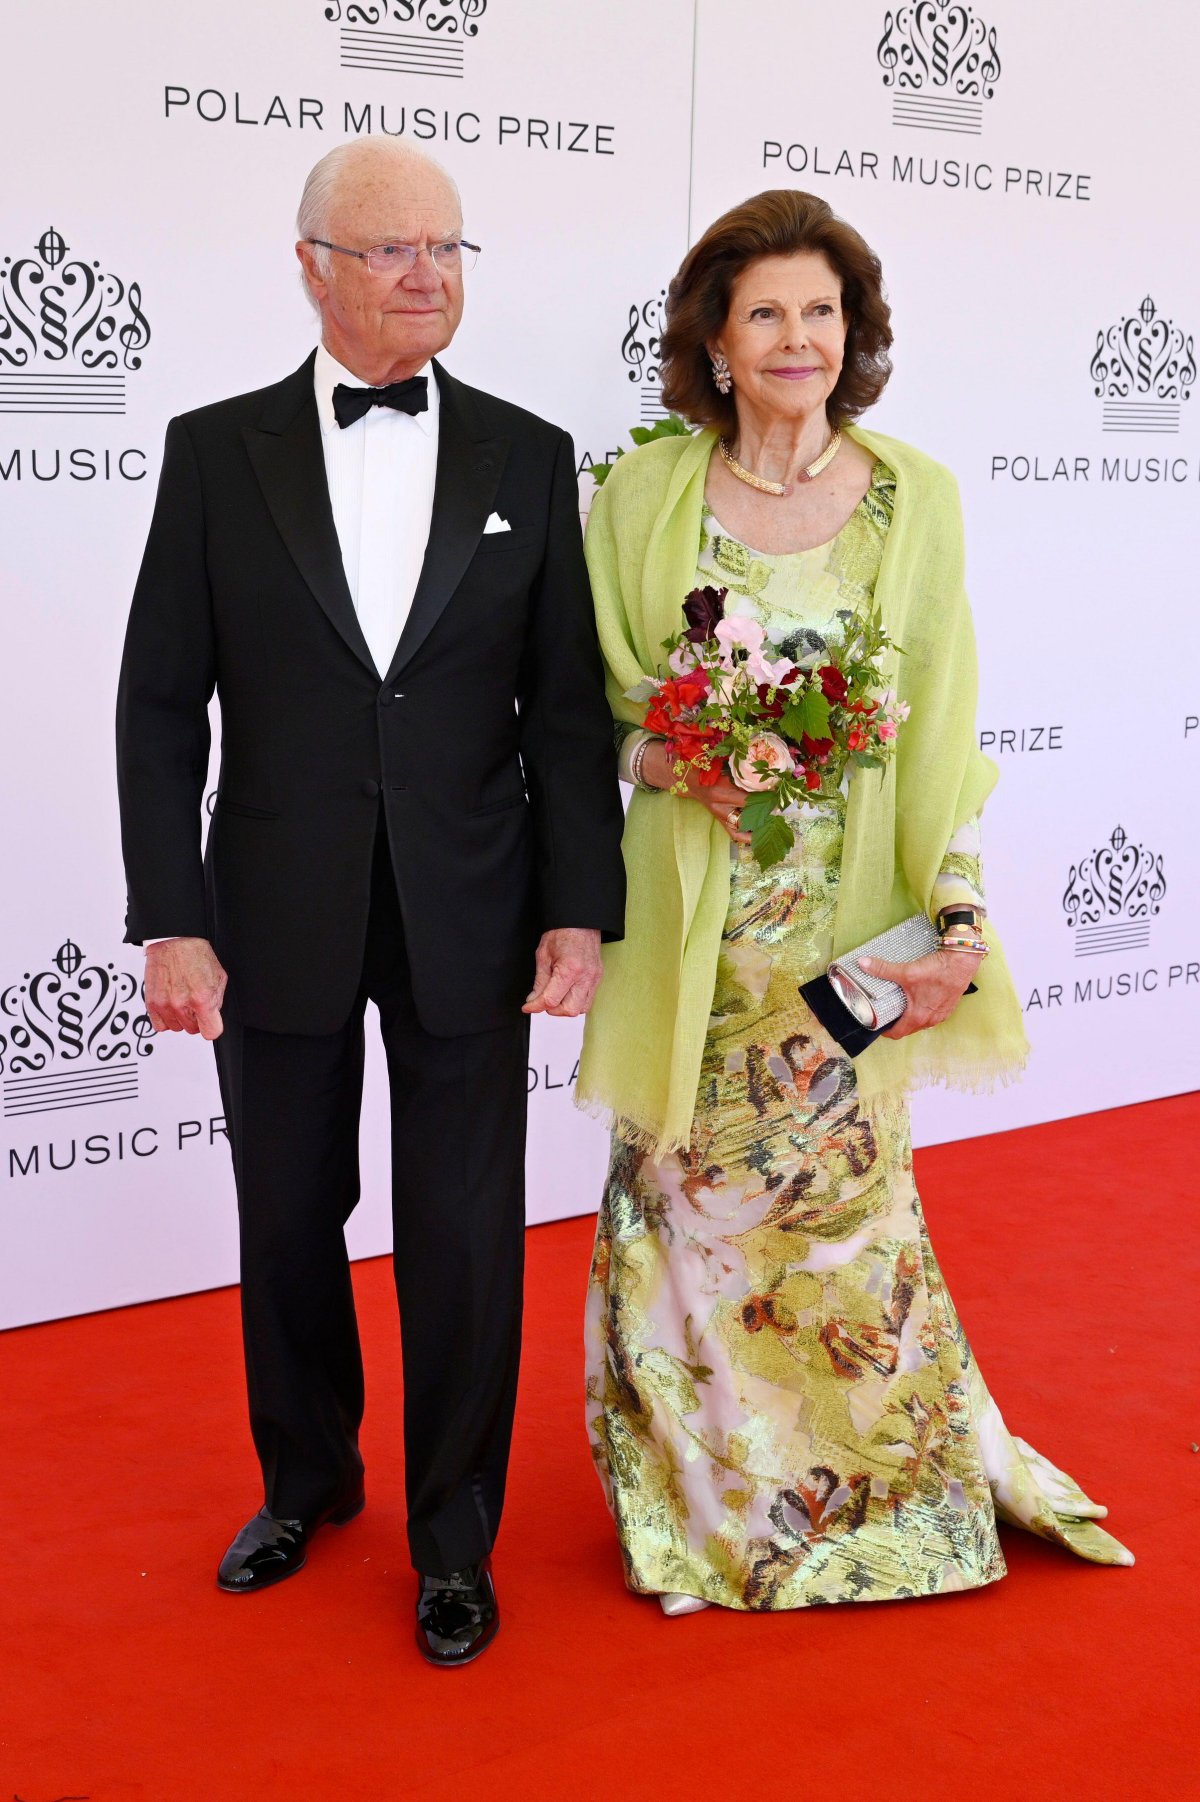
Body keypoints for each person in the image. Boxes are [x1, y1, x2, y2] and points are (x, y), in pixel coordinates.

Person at [577, 189, 1131, 1616]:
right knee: (688, 1221)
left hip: (846, 943)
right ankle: (710, 1513)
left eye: (821, 311)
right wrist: (668, 752)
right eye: (764, 311)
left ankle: (882, 1501)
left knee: (847, 1229)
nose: (796, 338)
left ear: (855, 332)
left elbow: (943, 733)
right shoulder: (641, 496)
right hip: (698, 935)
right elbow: (585, 712)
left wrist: (954, 910)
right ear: (712, 336)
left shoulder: (913, 498)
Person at [116, 138, 625, 1666]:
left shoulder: (531, 454)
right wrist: (171, 909)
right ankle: (309, 1477)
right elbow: (160, 704)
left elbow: (568, 710)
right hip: (272, 898)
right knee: (287, 1208)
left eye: (450, 249)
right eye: (394, 249)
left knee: (465, 1226)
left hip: (473, 898)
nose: (428, 275)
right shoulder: (217, 451)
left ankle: (452, 1529)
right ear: (313, 267)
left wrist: (579, 901)